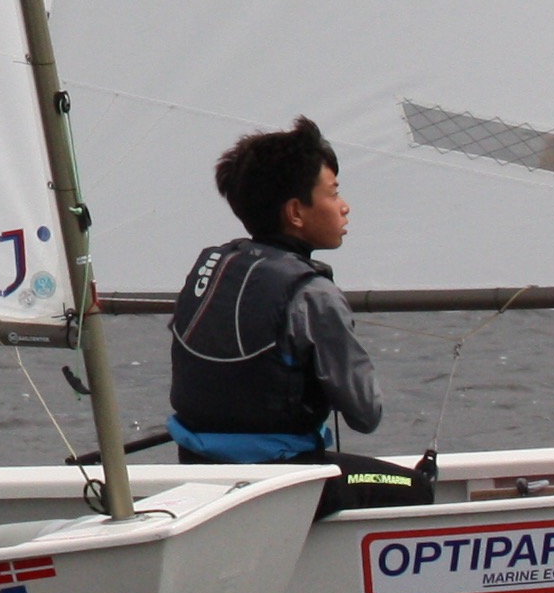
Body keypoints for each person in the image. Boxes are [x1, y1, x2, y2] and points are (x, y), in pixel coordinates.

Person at [165, 117, 433, 515]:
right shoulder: (313, 294)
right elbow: (365, 414)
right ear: (295, 212)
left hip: (199, 470)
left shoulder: (213, 268)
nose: (344, 206)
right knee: (416, 487)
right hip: (283, 480)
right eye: (333, 193)